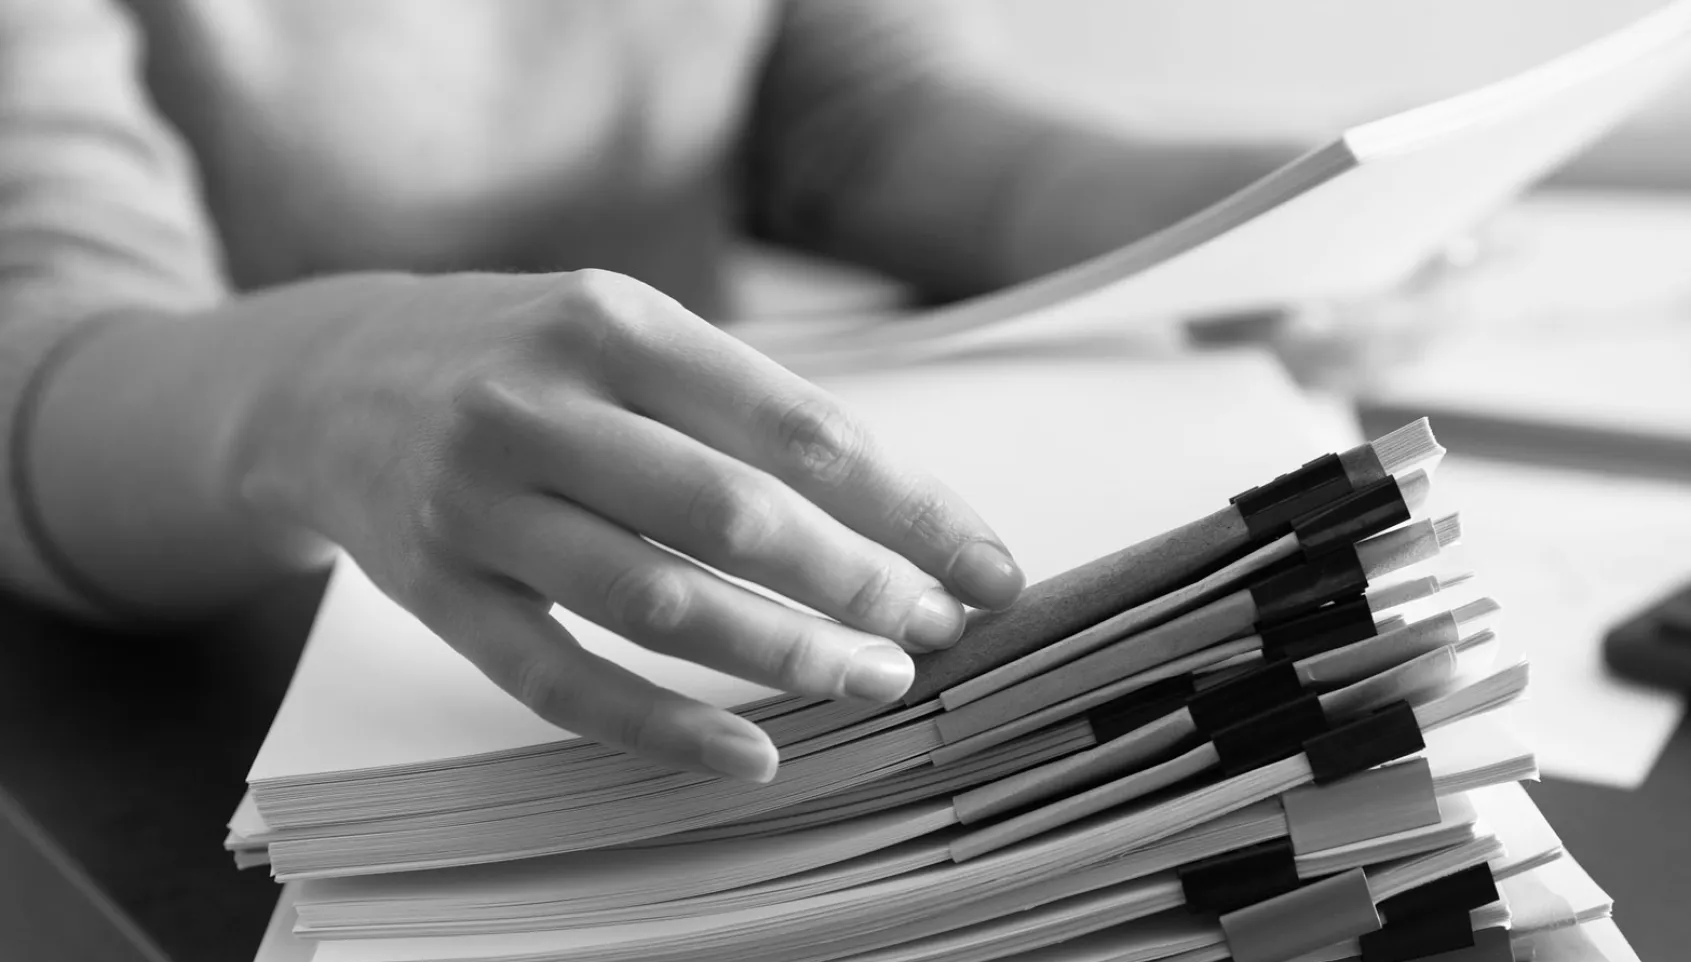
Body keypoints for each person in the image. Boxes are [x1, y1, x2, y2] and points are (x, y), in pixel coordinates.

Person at [0, 0, 1297, 782]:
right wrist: (305, 393)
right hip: (226, 638)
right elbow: (37, 325)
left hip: (678, 553)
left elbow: (857, 113)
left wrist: (1255, 205)